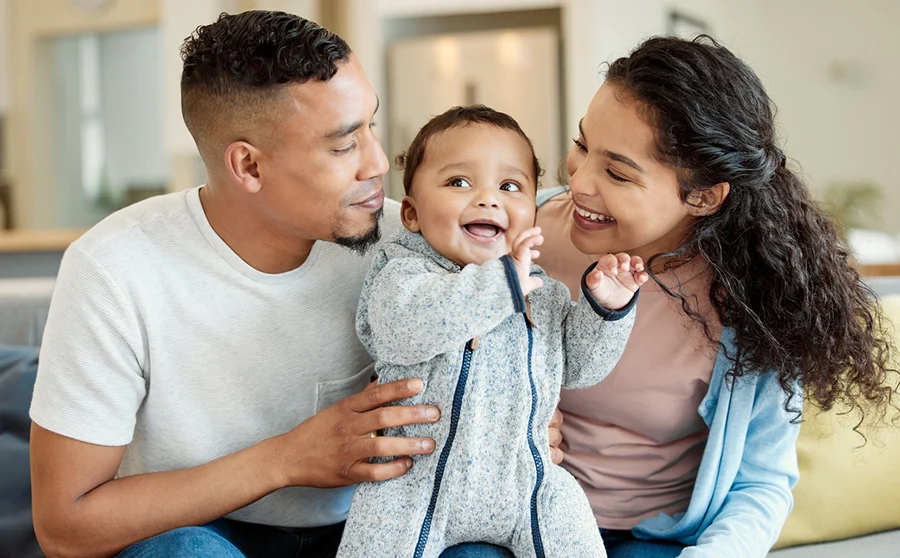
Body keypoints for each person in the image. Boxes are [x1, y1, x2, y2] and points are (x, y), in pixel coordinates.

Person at [28, 11, 454, 558]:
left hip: (374, 527)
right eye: (344, 145)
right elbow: (65, 526)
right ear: (248, 166)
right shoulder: (113, 269)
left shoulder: (408, 241)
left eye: (371, 125)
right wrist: (286, 459)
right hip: (205, 534)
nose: (377, 163)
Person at [535, 36, 894, 558]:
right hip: (522, 509)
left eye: (616, 172)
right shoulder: (517, 237)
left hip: (649, 539)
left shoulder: (754, 301)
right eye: (582, 145)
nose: (580, 182)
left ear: (702, 196)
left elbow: (761, 485)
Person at [337, 106, 648, 558]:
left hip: (527, 483)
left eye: (510, 186)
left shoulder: (543, 293)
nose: (488, 199)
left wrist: (606, 308)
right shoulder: (402, 274)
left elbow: (579, 368)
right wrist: (502, 283)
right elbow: (402, 331)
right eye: (458, 183)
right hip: (413, 486)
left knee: (574, 531)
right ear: (411, 213)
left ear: (533, 215)